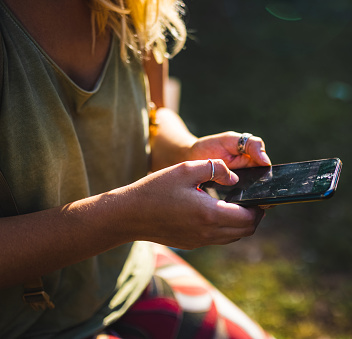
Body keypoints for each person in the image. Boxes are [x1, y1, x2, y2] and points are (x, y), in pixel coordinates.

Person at [0, 0, 273, 337]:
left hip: (125, 274)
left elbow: (155, 113)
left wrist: (187, 150)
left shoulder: (134, 5)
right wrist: (125, 219)